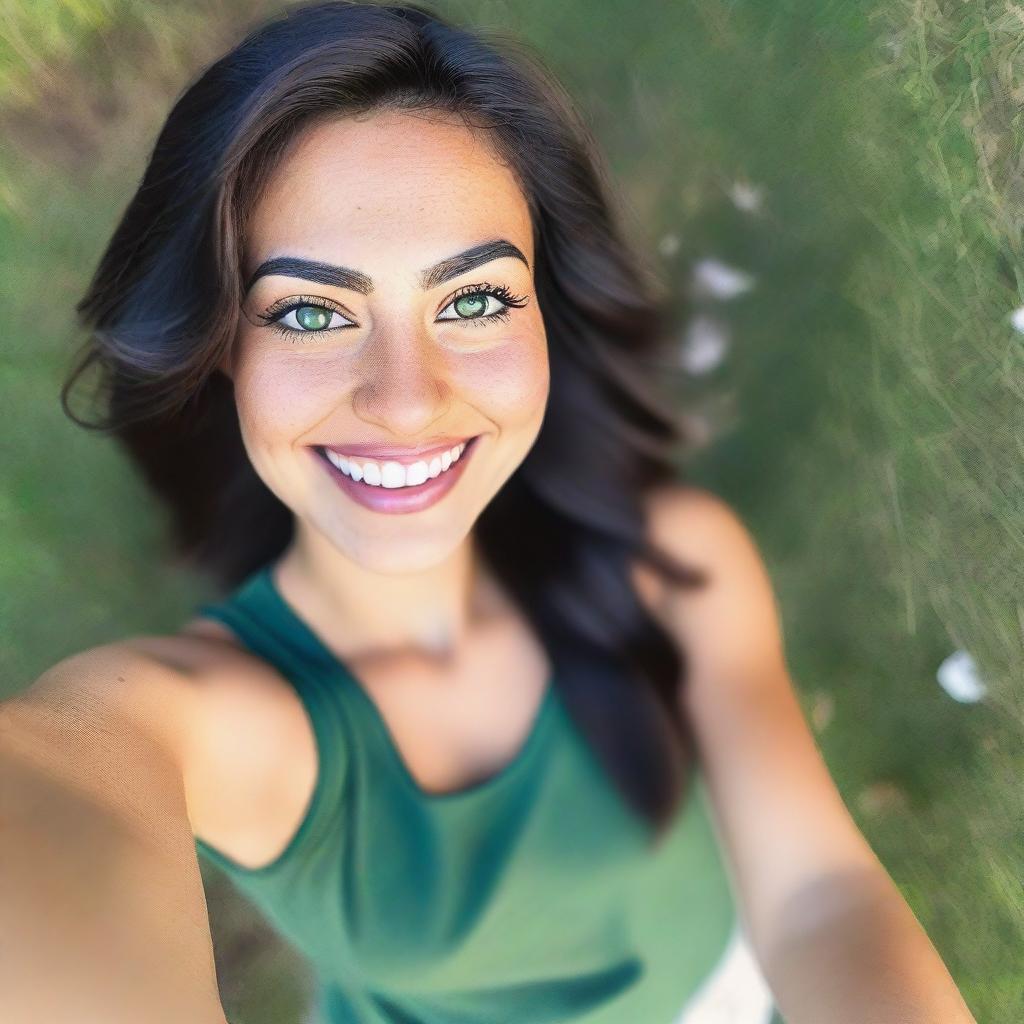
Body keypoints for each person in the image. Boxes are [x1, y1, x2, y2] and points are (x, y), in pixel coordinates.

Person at [0, 3, 978, 1023]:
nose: (407, 397)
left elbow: (820, 895)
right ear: (220, 351)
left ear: (545, 314)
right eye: (309, 311)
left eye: (471, 300)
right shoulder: (214, 723)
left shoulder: (667, 559)